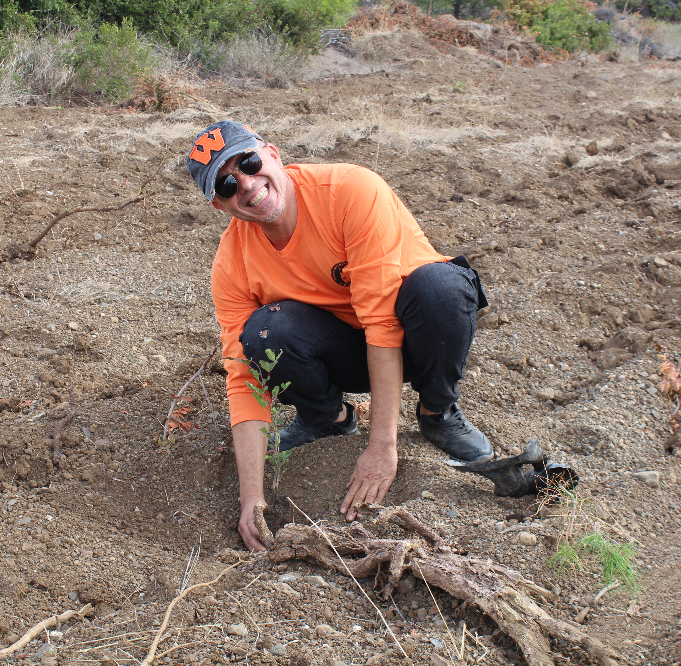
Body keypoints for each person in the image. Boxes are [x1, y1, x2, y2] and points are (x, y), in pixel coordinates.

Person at [187, 121, 491, 552]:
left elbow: (382, 323)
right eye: (228, 184)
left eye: (250, 163)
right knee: (264, 333)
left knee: (440, 288)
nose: (248, 185)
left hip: (412, 331)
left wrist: (382, 447)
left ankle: (436, 410)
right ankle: (327, 418)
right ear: (220, 206)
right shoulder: (231, 262)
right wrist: (250, 497)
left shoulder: (350, 190)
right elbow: (243, 377)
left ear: (272, 153)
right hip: (343, 352)